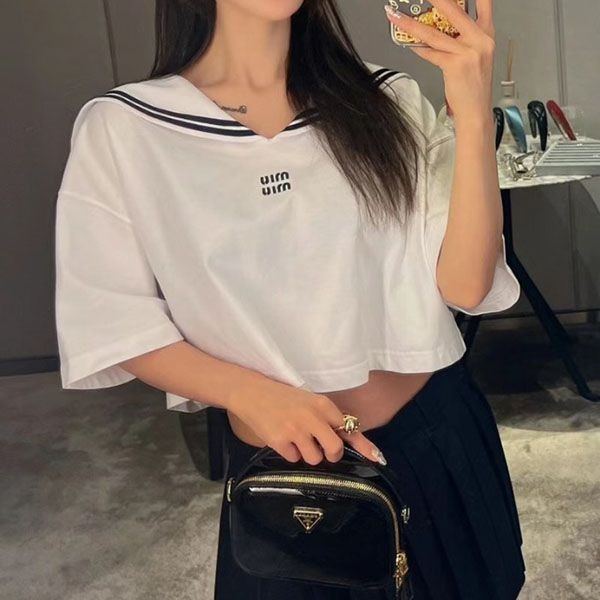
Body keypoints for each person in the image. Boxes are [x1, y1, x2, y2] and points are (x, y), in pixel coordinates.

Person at [54, 0, 526, 598]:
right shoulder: (127, 128)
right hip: (284, 473)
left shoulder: (388, 99)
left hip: (436, 437)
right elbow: (112, 319)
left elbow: (467, 285)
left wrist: (472, 113)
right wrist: (248, 394)